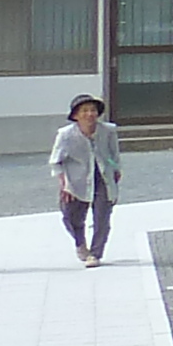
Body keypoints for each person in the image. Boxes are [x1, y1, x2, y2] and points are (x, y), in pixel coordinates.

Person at [51, 94, 122, 267]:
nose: (90, 114)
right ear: (75, 115)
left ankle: (95, 254)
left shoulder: (108, 131)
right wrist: (64, 184)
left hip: (103, 177)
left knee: (102, 218)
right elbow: (56, 162)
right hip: (75, 180)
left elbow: (114, 154)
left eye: (93, 110)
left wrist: (115, 169)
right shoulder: (66, 135)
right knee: (70, 216)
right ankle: (80, 243)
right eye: (85, 111)